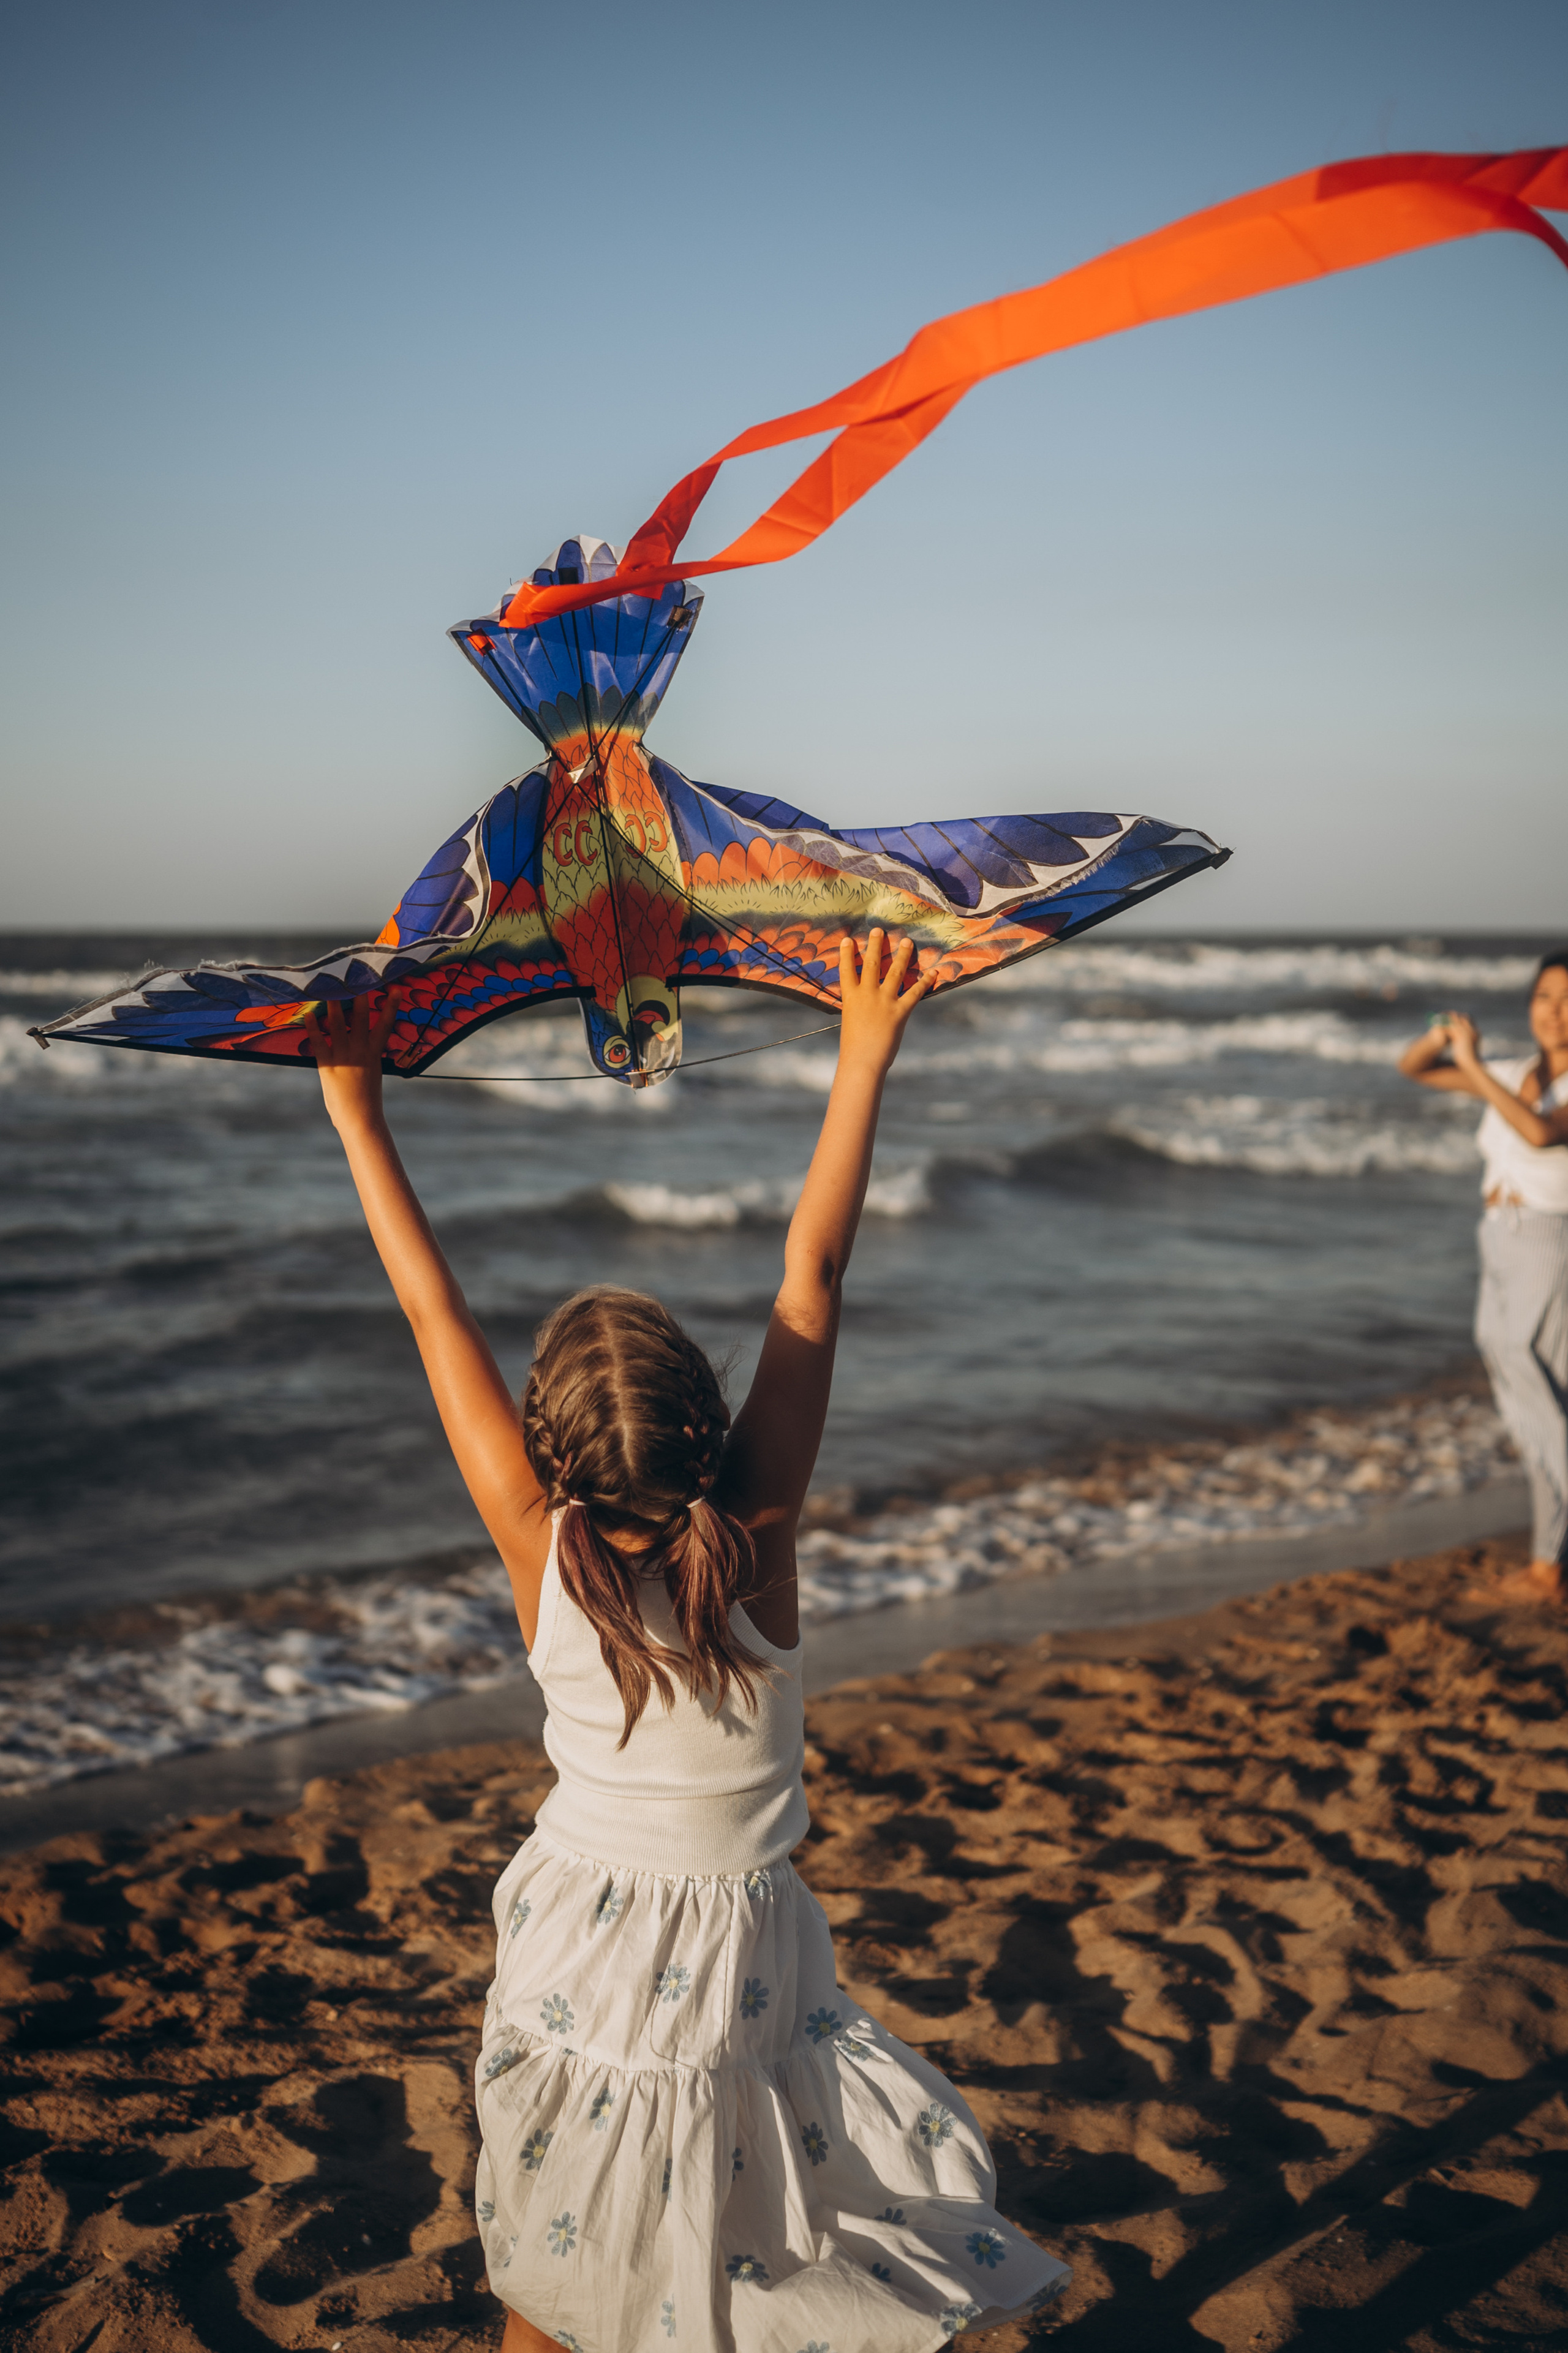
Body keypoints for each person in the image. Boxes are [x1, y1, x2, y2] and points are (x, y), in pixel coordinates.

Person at [306, 928, 1068, 2353]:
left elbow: (429, 1307)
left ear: (546, 1449)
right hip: (743, 1949)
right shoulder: (758, 1537)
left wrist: (355, 1110)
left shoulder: (544, 1544)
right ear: (707, 1415)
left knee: (554, 2252)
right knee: (718, 2228)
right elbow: (814, 1270)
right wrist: (863, 1045)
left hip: (586, 1936)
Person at [1400, 949, 1568, 1605]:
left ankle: (1548, 1565)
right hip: (1498, 1238)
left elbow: (1537, 1132)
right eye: (1545, 998)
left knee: (1541, 1395)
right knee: (1527, 1403)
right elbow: (1411, 1068)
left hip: (1550, 1243)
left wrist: (1470, 1062)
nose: (1555, 1012)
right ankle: (1548, 1559)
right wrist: (1444, 1033)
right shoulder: (1510, 1071)